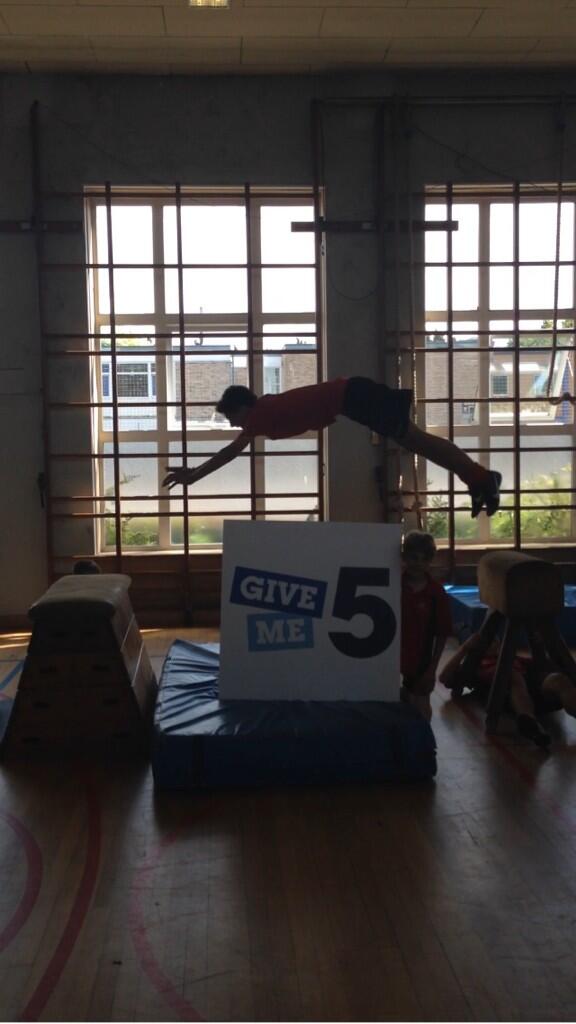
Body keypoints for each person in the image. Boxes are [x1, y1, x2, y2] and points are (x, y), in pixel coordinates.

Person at [162, 377, 501, 517]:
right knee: (417, 442)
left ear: (242, 408)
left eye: (231, 417)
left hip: (356, 397)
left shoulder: (259, 416)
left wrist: (194, 475)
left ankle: (481, 478)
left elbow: (229, 453)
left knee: (418, 442)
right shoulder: (263, 411)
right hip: (354, 397)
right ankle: (478, 478)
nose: (233, 425)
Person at [437, 629, 576, 749]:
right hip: (506, 697)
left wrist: (541, 644)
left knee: (558, 679)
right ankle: (529, 722)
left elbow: (549, 665)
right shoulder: (475, 667)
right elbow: (444, 677)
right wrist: (464, 649)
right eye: (488, 642)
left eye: (495, 641)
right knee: (511, 675)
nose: (493, 643)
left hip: (534, 690)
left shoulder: (513, 658)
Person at [400, 530, 453, 721]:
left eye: (423, 559)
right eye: (413, 558)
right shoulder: (394, 585)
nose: (418, 563)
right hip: (395, 655)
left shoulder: (436, 592)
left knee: (421, 704)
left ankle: (424, 739)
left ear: (430, 561)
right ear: (404, 557)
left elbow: (442, 633)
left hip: (420, 658)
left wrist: (432, 669)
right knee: (400, 704)